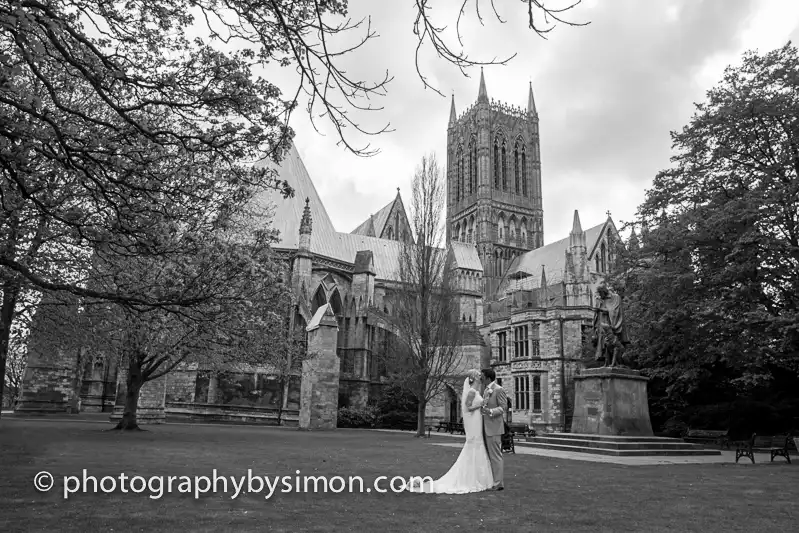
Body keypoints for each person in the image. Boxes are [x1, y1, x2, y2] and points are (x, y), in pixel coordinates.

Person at [408, 369, 494, 494]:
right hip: (474, 422)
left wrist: (484, 401)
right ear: (474, 379)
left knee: (478, 445)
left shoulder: (475, 391)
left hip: (477, 420)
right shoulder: (471, 392)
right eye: (478, 376)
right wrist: (481, 404)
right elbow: (468, 407)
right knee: (474, 445)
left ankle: (479, 477)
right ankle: (472, 478)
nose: (480, 378)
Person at [480, 367, 507, 490]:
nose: (481, 378)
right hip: (486, 427)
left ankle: (498, 483)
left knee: (496, 456)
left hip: (495, 428)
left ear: (488, 377)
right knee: (490, 456)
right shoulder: (486, 390)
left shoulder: (498, 390)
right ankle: (493, 480)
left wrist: (490, 411)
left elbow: (503, 408)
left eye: (482, 376)